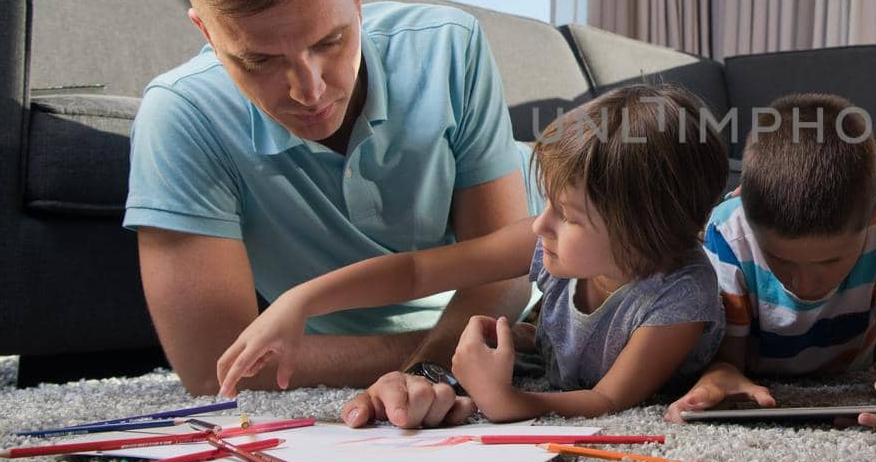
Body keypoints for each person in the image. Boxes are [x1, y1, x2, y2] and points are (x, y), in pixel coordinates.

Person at [125, 0, 536, 427]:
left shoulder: (450, 46)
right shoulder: (181, 115)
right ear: (206, 32)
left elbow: (502, 270)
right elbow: (214, 369)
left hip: (555, 222)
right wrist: (464, 351)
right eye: (260, 60)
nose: (310, 90)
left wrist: (433, 366)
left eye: (330, 41)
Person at [216, 85, 731, 421]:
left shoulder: (678, 300)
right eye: (548, 203)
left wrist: (507, 401)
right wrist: (301, 301)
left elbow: (607, 400)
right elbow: (418, 272)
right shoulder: (550, 241)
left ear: (644, 233)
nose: (540, 223)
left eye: (568, 216)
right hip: (558, 352)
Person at [669, 93, 876, 430]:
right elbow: (726, 362)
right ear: (748, 219)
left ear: (875, 214)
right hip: (762, 371)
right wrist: (718, 379)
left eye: (830, 261)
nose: (805, 285)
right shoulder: (728, 232)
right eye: (780, 260)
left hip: (853, 364)